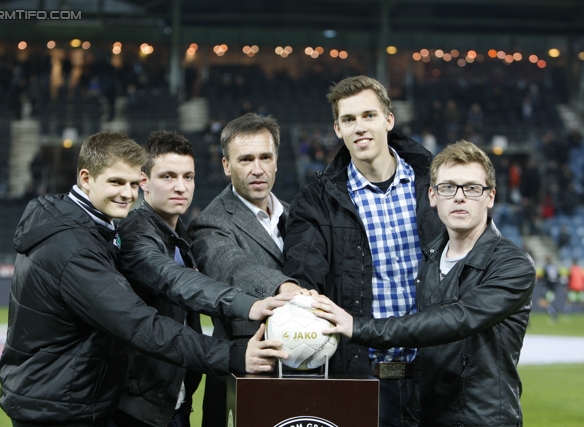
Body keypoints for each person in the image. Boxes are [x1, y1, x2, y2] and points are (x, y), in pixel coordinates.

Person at [0, 131, 288, 427]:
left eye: (131, 184)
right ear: (86, 179)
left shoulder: (98, 230)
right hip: (64, 407)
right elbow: (146, 315)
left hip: (81, 399)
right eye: (116, 182)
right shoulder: (82, 245)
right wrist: (238, 339)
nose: (126, 193)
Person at [312, 140, 536, 427]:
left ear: (490, 197)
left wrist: (359, 327)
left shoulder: (512, 264)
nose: (459, 197)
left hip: (484, 419)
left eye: (471, 188)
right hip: (428, 417)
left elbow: (456, 319)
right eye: (447, 187)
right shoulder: (428, 260)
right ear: (432, 196)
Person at [282, 75, 444, 427]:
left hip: (436, 376)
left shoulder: (437, 188)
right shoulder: (316, 203)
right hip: (363, 378)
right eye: (349, 119)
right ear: (337, 129)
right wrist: (295, 290)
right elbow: (303, 271)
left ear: (389, 119)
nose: (360, 127)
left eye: (369, 116)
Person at [113, 130, 294, 427]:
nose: (180, 187)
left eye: (188, 177)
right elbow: (176, 282)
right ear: (143, 181)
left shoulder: (181, 237)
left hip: (175, 404)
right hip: (137, 408)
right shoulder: (134, 234)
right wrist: (249, 305)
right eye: (168, 177)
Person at [189, 112, 310, 427]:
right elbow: (230, 265)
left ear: (276, 161)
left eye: (265, 157)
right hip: (242, 375)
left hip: (307, 371)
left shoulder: (297, 216)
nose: (257, 169)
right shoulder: (210, 221)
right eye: (245, 160)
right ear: (226, 165)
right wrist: (284, 287)